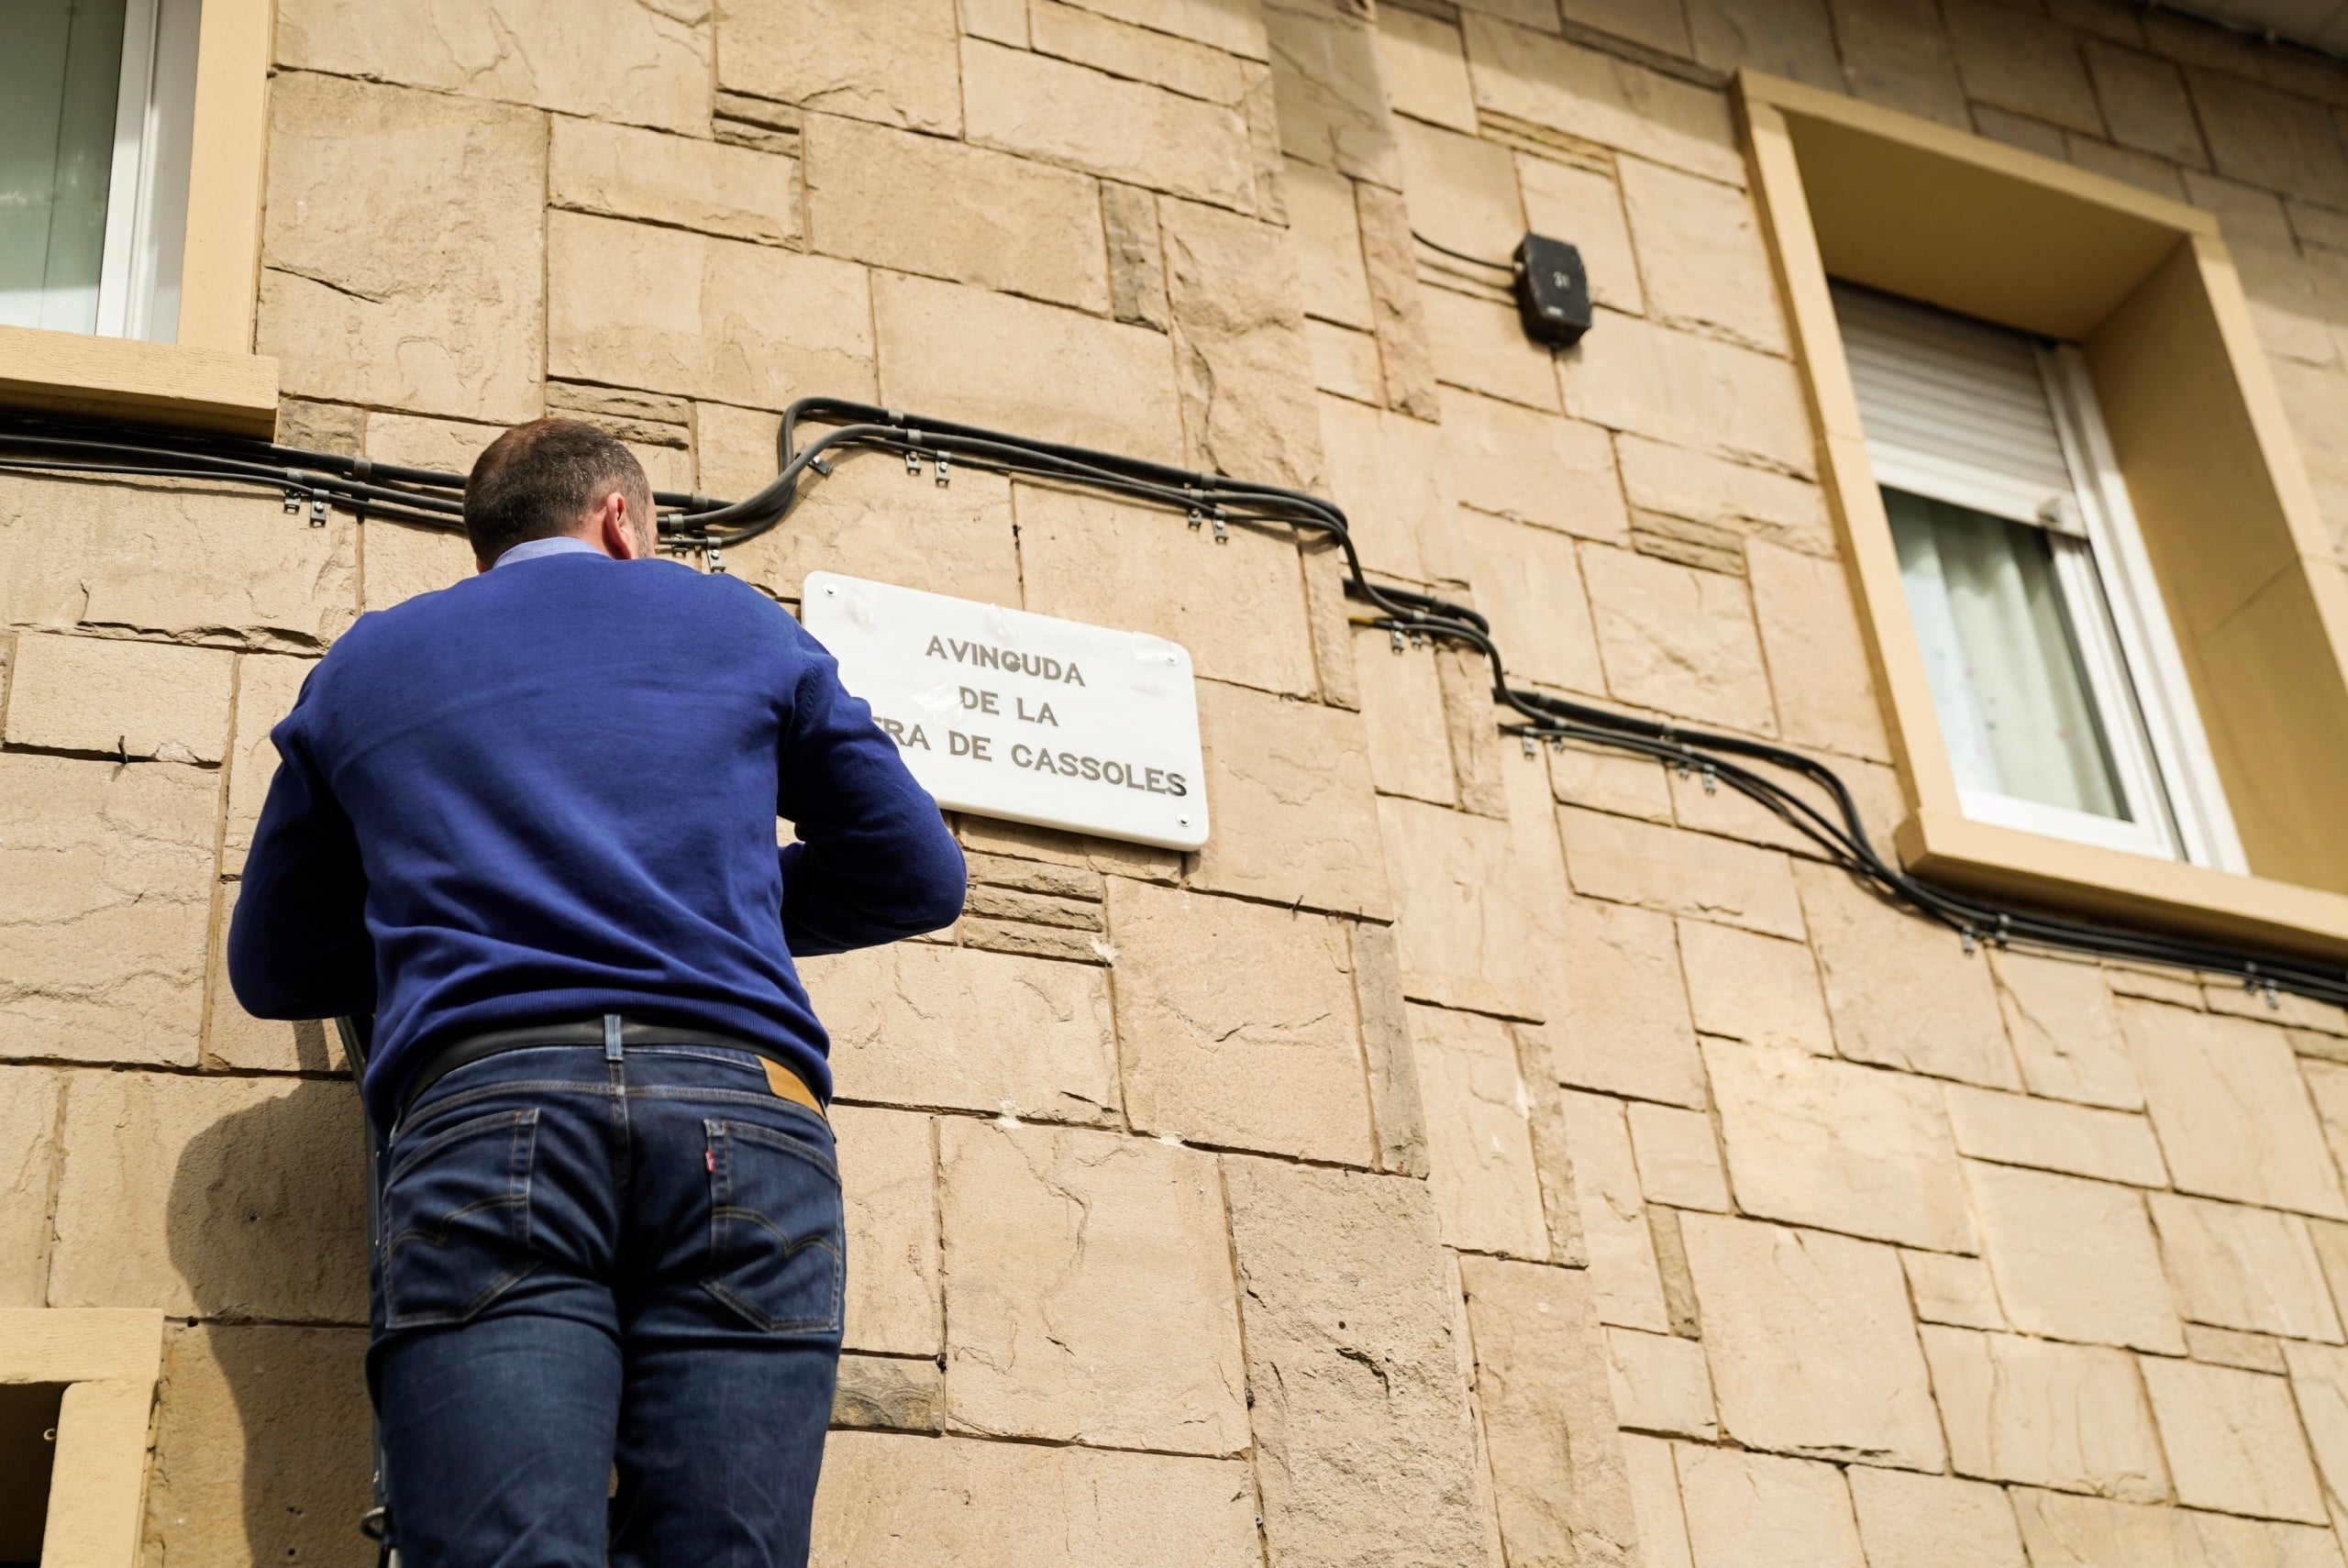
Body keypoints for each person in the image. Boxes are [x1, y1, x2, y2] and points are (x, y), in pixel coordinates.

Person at [228, 417, 966, 1566]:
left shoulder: (369, 662)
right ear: (621, 519)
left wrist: (462, 912)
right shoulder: (731, 619)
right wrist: (704, 891)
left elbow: (273, 966)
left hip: (487, 1110)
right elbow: (917, 875)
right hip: (742, 1117)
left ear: (487, 546)